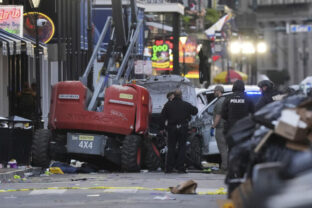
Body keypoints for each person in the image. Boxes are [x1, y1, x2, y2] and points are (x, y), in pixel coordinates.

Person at [161, 89, 198, 173]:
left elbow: (162, 117)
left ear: (174, 95)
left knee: (171, 148)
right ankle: (180, 167)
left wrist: (162, 128)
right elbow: (195, 111)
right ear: (181, 96)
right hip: (183, 128)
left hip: (171, 128)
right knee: (182, 147)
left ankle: (169, 168)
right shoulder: (186, 104)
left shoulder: (168, 105)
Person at [211, 85, 227, 172]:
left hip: (220, 127)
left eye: (215, 91)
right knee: (225, 148)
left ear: (219, 91)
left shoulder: (220, 102)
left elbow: (218, 115)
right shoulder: (224, 100)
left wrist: (213, 126)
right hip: (225, 126)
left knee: (222, 148)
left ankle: (224, 167)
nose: (214, 92)